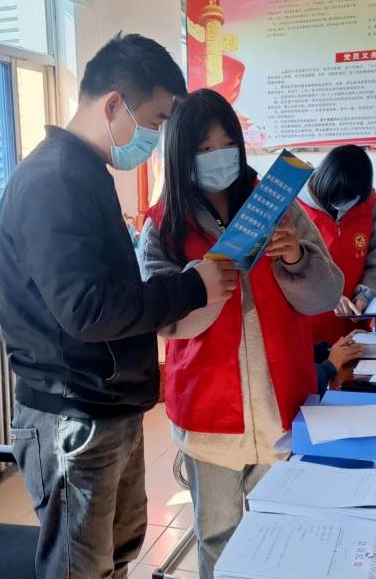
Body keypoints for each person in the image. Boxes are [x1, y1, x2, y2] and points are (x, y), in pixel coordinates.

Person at [0, 34, 238, 579]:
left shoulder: (84, 173)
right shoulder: (54, 181)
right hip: (72, 415)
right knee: (80, 569)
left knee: (116, 555)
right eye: (154, 120)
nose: (155, 137)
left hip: (108, 406)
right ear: (113, 106)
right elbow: (87, 309)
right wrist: (191, 288)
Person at [137, 88, 344, 579]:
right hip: (209, 417)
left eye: (227, 144)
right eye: (204, 148)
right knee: (219, 540)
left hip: (282, 408)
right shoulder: (163, 225)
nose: (219, 156)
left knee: (285, 536)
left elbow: (327, 293)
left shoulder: (279, 207)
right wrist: (201, 286)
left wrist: (296, 257)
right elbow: (163, 320)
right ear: (182, 154)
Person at [298, 144, 376, 366]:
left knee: (354, 378)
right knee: (317, 379)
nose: (345, 205)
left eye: (352, 198)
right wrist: (328, 294)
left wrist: (365, 297)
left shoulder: (369, 206)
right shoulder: (295, 206)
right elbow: (290, 266)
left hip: (355, 325)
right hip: (309, 328)